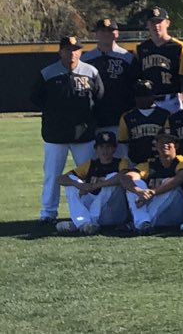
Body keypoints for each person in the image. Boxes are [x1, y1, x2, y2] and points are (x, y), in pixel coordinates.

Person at [31, 35, 104, 224]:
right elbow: (36, 99)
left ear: (80, 51)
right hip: (55, 135)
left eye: (75, 49)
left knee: (88, 174)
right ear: (60, 51)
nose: (71, 53)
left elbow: (99, 97)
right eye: (67, 49)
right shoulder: (47, 73)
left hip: (84, 134)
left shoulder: (91, 71)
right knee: (52, 175)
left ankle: (89, 210)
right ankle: (48, 212)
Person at [56, 131, 129, 235]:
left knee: (112, 177)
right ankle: (83, 223)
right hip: (93, 207)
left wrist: (97, 185)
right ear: (96, 149)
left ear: (114, 148)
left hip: (113, 211)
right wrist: (79, 185)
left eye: (108, 147)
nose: (105, 150)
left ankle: (83, 223)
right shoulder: (91, 164)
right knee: (71, 182)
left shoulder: (121, 162)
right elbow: (61, 179)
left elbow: (122, 176)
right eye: (101, 147)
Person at [123, 133, 183, 235]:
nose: (165, 145)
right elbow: (126, 177)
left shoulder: (182, 161)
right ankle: (143, 223)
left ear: (176, 146)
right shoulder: (150, 164)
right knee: (135, 183)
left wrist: (153, 192)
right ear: (156, 145)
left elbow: (179, 178)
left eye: (169, 142)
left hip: (179, 211)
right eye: (161, 142)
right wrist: (139, 191)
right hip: (158, 215)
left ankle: (139, 222)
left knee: (168, 182)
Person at [83, 17, 137, 139]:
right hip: (95, 119)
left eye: (110, 30)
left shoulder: (128, 58)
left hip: (122, 118)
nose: (106, 34)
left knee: (123, 157)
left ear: (117, 33)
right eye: (102, 31)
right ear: (96, 34)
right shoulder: (86, 60)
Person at [135, 6, 183, 112]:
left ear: (167, 23)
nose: (156, 25)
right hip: (149, 101)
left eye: (160, 21)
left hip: (172, 100)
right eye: (152, 22)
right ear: (147, 24)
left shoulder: (179, 47)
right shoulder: (141, 48)